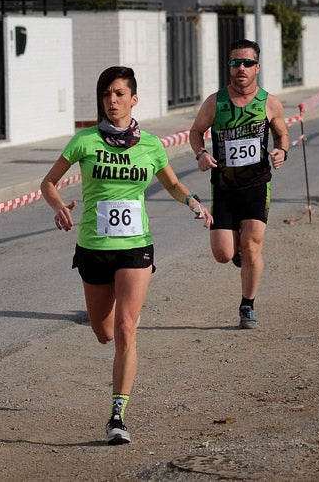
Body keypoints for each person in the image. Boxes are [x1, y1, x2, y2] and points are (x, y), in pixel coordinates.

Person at [40, 66, 213, 446]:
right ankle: (120, 326)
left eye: (120, 94)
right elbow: (48, 182)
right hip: (94, 248)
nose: (112, 101)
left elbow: (171, 181)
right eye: (107, 95)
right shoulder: (84, 141)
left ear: (134, 99)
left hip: (136, 246)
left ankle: (117, 415)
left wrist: (192, 201)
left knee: (125, 330)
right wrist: (57, 205)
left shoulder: (150, 144)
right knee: (104, 333)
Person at [188, 39, 289, 329]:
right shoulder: (215, 102)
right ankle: (239, 254)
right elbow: (196, 132)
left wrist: (282, 151)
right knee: (223, 254)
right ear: (229, 67)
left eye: (247, 63)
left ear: (257, 67)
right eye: (235, 63)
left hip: (257, 183)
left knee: (253, 245)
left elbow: (282, 135)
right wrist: (201, 153)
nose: (241, 68)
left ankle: (247, 305)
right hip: (223, 186)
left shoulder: (270, 102)